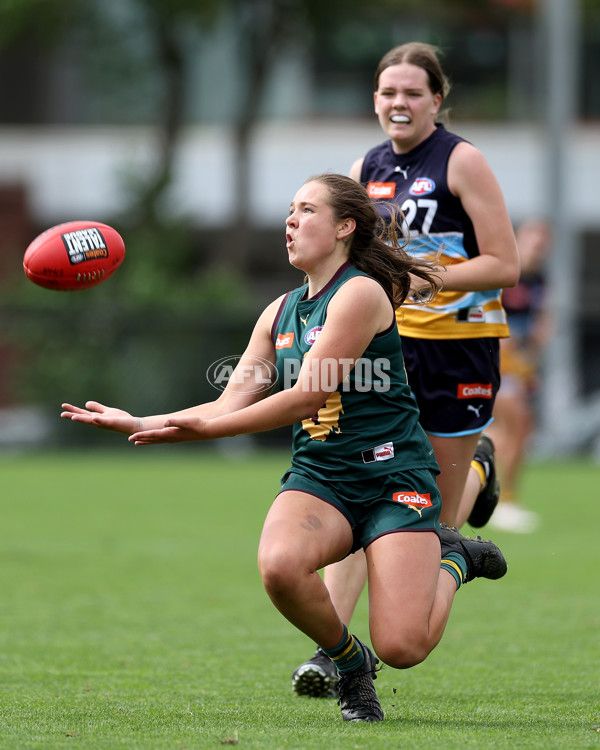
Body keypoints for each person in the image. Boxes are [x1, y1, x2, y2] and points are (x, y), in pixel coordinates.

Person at [61, 173, 507, 724]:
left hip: (394, 479)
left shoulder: (361, 293)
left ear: (345, 227)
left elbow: (304, 398)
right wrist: (143, 420)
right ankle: (350, 666)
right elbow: (229, 402)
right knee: (278, 567)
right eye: (289, 212)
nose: (290, 222)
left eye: (306, 211)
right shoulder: (280, 311)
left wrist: (198, 433)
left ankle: (456, 557)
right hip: (322, 478)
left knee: (404, 647)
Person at [291, 42, 519, 700]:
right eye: (388, 92)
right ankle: (333, 648)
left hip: (457, 350)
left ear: (436, 100)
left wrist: (427, 276)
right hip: (389, 348)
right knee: (373, 495)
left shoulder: (462, 161)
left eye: (413, 93)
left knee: (431, 524)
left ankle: (474, 473)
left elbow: (504, 263)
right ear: (374, 99)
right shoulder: (367, 166)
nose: (399, 103)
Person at [486, 219, 552, 533]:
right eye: (533, 237)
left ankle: (489, 487)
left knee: (511, 432)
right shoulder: (505, 273)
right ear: (518, 238)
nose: (539, 245)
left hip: (518, 366)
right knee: (519, 423)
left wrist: (530, 364)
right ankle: (504, 501)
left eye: (543, 239)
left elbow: (540, 325)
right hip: (497, 364)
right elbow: (492, 324)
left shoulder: (540, 278)